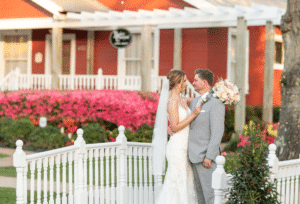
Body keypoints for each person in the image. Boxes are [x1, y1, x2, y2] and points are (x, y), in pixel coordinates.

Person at [153, 69, 201, 204]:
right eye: (185, 81)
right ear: (178, 83)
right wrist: (193, 115)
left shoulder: (182, 100)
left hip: (185, 147)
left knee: (186, 181)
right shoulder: (172, 102)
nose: (187, 83)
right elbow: (175, 127)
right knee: (176, 182)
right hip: (177, 148)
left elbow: (200, 100)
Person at [187, 69, 225, 204]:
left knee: (210, 196)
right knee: (199, 195)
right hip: (192, 156)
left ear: (204, 82)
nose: (193, 83)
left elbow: (217, 132)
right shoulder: (193, 102)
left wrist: (209, 156)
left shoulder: (216, 103)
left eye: (196, 80)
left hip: (205, 158)